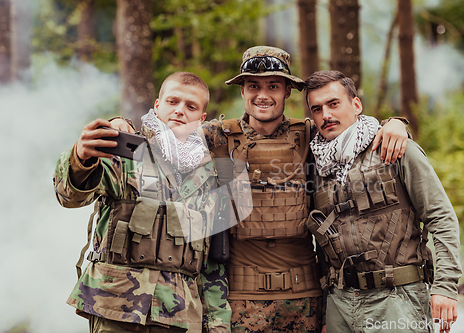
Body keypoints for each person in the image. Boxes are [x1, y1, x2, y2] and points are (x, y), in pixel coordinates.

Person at [111, 46, 410, 332]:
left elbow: (353, 130)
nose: (263, 95)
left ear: (287, 91)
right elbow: (160, 136)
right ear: (242, 91)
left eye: (273, 86)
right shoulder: (216, 135)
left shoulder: (309, 135)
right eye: (253, 86)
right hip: (239, 299)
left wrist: (396, 123)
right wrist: (120, 122)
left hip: (304, 297)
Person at [53, 72, 231, 333]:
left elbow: (212, 266)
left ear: (201, 118)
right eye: (173, 101)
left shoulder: (211, 177)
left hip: (179, 315)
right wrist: (80, 158)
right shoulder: (124, 154)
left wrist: (217, 325)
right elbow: (70, 196)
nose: (180, 111)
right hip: (116, 308)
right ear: (157, 106)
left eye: (190, 106)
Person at [304, 70, 461, 333]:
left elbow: (440, 216)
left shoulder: (394, 148)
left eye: (333, 103)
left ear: (356, 105)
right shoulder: (316, 165)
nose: (326, 115)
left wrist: (445, 286)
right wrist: (324, 312)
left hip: (397, 300)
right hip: (339, 305)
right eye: (317, 109)